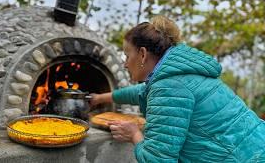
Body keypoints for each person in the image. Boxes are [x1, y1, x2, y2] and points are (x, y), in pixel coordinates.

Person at [90, 15, 265, 162]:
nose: (125, 64)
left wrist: (134, 134)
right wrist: (100, 98)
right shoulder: (178, 73)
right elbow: (140, 92)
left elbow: (158, 159)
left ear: (142, 54)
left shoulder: (168, 86)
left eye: (127, 55)